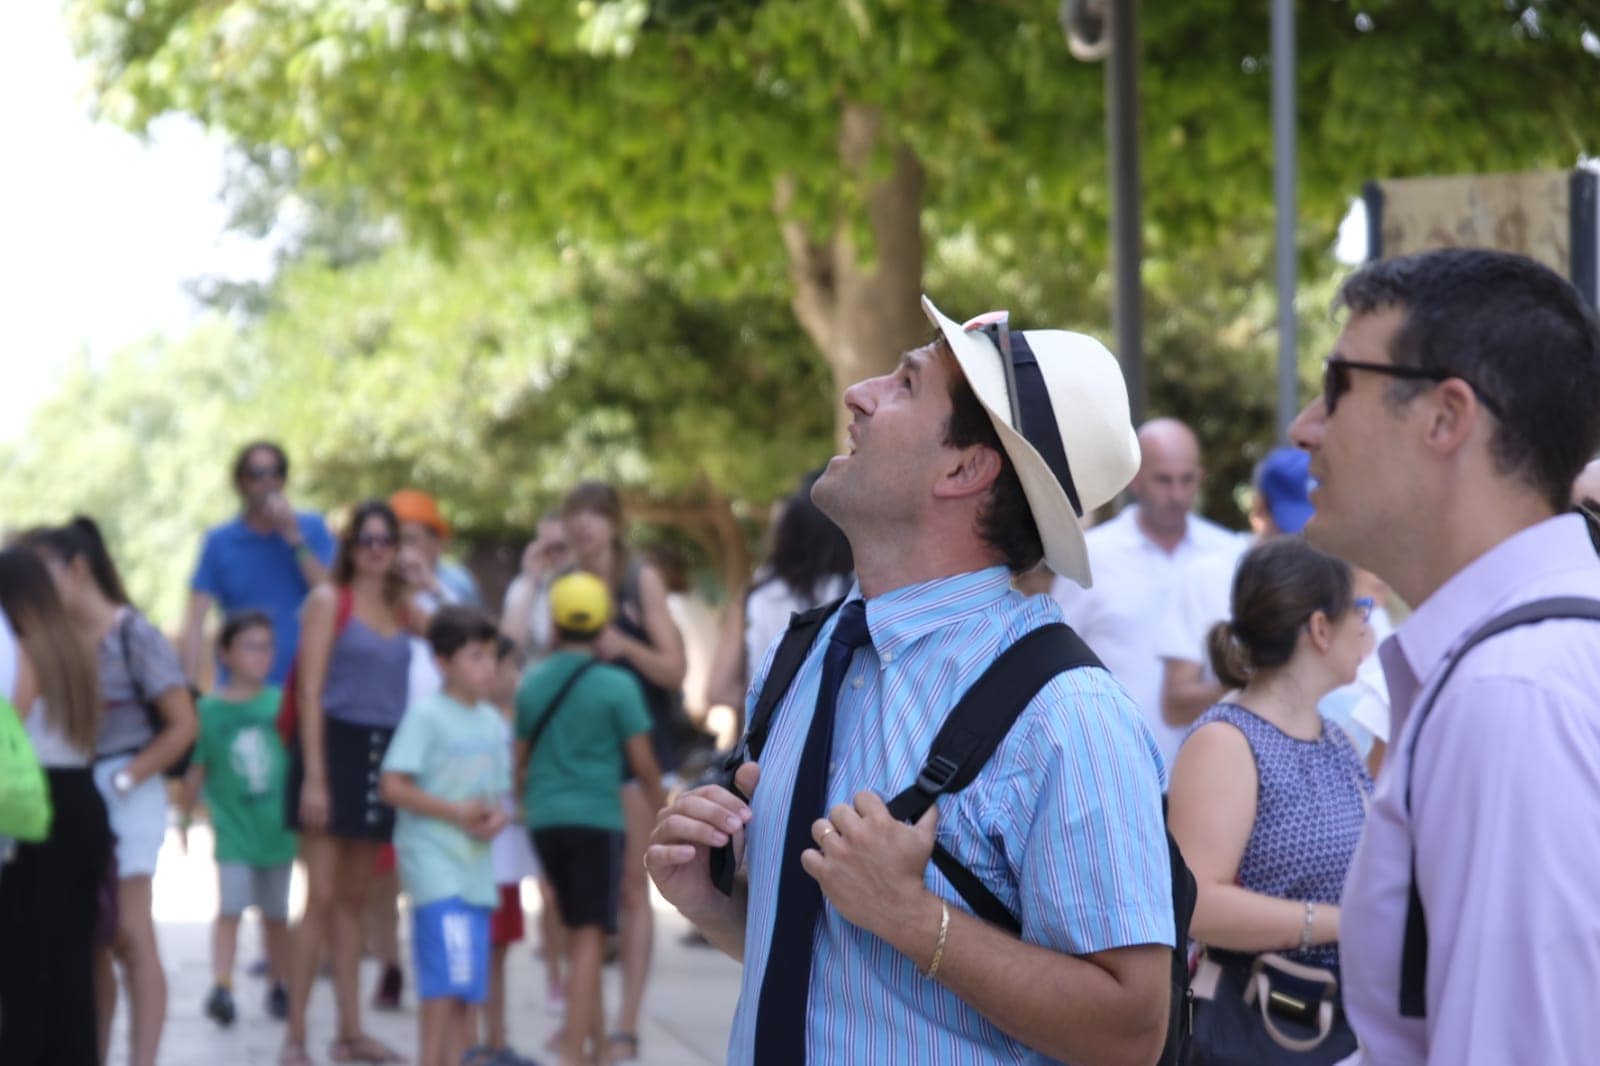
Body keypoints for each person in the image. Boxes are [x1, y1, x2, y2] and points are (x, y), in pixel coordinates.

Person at [647, 299, 1174, 1064]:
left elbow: (1132, 1030)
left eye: (904, 385)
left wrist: (916, 920)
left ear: (965, 468)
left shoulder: (1068, 713)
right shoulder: (807, 655)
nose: (858, 394)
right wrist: (712, 904)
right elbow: (839, 975)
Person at [1288, 247, 1600, 1064]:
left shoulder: (1511, 695)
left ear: (1445, 417)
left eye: (1336, 386)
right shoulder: (1527, 666)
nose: (1304, 427)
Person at [1168, 538, 1374, 1062]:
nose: (1370, 629)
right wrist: (1341, 923)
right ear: (1320, 629)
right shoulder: (1226, 742)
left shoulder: (1337, 739)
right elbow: (1196, 902)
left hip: (1339, 1032)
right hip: (1259, 1031)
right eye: (1363, 610)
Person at [25, 518, 198, 1066]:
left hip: (129, 789)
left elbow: (182, 724)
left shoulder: (133, 633)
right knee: (89, 936)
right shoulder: (47, 642)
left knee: (129, 932)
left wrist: (126, 779)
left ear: (76, 570)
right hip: (73, 791)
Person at [280, 500, 415, 1066]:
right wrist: (314, 775)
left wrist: (426, 578)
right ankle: (295, 1037)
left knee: (355, 903)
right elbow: (309, 691)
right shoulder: (328, 600)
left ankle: (350, 1033)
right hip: (332, 747)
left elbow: (462, 633)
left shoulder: (403, 606)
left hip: (382, 753)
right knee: (320, 898)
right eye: (367, 539)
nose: (377, 549)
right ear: (350, 546)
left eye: (387, 540)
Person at [516, 571, 669, 1066]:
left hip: (544, 819)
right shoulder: (617, 685)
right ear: (602, 622)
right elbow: (644, 766)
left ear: (555, 626)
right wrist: (665, 809)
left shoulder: (533, 683)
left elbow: (518, 761)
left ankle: (598, 1046)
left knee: (573, 926)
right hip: (598, 821)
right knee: (588, 937)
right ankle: (575, 1054)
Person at [559, 480, 687, 1061]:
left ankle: (625, 1025)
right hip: (578, 758)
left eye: (594, 514)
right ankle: (586, 1023)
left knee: (634, 891)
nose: (584, 525)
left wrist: (623, 645)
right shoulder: (558, 584)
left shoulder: (641, 579)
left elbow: (675, 669)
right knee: (579, 898)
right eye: (574, 515)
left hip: (637, 755)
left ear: (613, 521)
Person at [1050, 418, 1243, 770]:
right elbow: (1053, 661)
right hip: (1111, 769)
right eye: (1164, 480)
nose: (1177, 495)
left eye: (1187, 480)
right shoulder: (1091, 557)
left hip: (1211, 774)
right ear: (1134, 479)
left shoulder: (1229, 555)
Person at [379, 606, 510, 1066]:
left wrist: (497, 819)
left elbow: (499, 797)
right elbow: (392, 784)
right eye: (475, 656)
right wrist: (455, 812)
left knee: (467, 985)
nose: (487, 666)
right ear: (442, 662)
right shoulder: (427, 716)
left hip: (475, 874)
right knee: (442, 983)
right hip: (434, 868)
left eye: (492, 656)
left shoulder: (492, 723)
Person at [0, 547, 111, 1066]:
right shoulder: (76, 647)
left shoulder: (25, 652)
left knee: (25, 959)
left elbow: (9, 726)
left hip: (35, 809)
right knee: (71, 961)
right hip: (83, 801)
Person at [182, 610, 297, 1027]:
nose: (260, 655)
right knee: (230, 907)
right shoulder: (209, 710)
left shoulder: (282, 703)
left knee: (276, 913)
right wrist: (182, 818)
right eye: (250, 645)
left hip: (278, 829)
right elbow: (198, 766)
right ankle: (223, 985)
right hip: (233, 828)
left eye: (267, 646)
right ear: (226, 653)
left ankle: (278, 982)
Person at [1156, 445, 1308, 729]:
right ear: (1260, 507)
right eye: (1292, 525)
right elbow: (1174, 706)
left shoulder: (1340, 576)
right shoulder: (1205, 576)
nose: (1301, 537)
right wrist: (1265, 683)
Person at [180, 441, 337, 686]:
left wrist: (296, 540)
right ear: (240, 483)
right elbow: (194, 620)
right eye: (257, 474)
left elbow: (332, 595)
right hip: (241, 692)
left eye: (277, 473)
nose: (268, 483)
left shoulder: (312, 528)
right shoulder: (219, 541)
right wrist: (189, 687)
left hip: (304, 687)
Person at [706, 470, 854, 720]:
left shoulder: (756, 595)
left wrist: (767, 701)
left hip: (764, 747)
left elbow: (718, 690)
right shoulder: (856, 593)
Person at [466, 633, 546, 1066]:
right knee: (478, 949)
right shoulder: (476, 721)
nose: (515, 676)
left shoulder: (514, 720)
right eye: (506, 666)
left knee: (497, 950)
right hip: (480, 857)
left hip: (508, 860)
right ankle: (475, 1043)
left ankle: (496, 1038)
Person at [392, 488, 484, 616]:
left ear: (437, 543)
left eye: (410, 540)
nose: (401, 549)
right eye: (395, 540)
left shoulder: (458, 582)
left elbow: (471, 630)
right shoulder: (381, 580)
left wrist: (431, 586)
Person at [501, 514, 572, 664]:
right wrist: (531, 580)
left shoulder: (589, 583)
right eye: (547, 549)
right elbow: (509, 647)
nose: (553, 555)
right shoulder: (525, 585)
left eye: (560, 548)